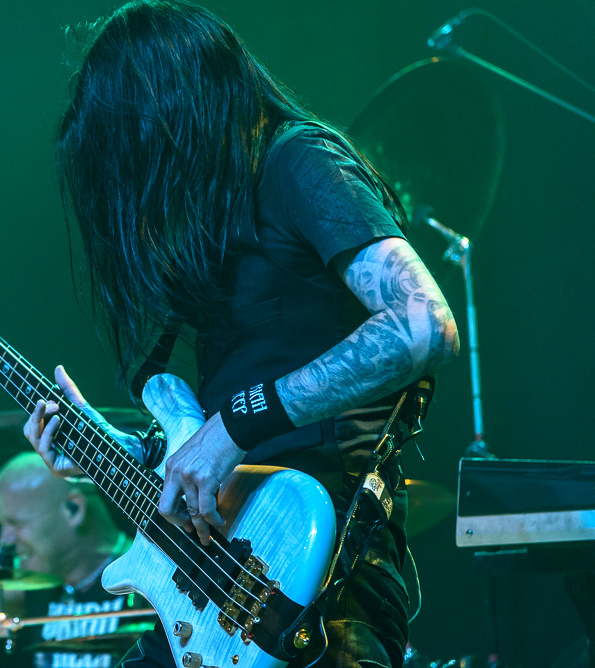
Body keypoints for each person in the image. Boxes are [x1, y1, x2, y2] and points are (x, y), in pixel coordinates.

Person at [22, 2, 460, 667]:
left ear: (173, 110)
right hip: (220, 576)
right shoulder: (215, 221)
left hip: (320, 575)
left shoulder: (299, 161)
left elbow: (424, 324)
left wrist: (233, 427)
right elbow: (210, 436)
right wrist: (118, 449)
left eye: (136, 149)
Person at [0, 446, 147, 668]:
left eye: (16, 523)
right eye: (2, 525)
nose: (6, 540)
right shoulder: (41, 580)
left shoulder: (150, 576)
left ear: (73, 509)